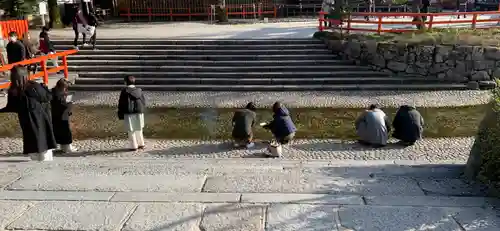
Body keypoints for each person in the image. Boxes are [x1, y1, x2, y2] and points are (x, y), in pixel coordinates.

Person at [0, 66, 57, 161]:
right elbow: (47, 97)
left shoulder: (13, 90)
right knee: (43, 142)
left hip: (25, 120)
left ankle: (35, 159)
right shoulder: (33, 86)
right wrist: (45, 87)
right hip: (39, 118)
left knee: (31, 141)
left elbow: (11, 107)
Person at [118, 76, 146, 151]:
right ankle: (141, 143)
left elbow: (121, 103)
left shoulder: (124, 91)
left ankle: (134, 146)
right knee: (139, 128)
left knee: (131, 130)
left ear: (125, 82)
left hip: (129, 112)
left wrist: (120, 114)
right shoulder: (139, 90)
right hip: (139, 111)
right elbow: (143, 101)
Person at [51, 78, 77, 153]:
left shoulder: (53, 92)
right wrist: (69, 104)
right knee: (65, 131)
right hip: (61, 116)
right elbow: (61, 106)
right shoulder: (57, 96)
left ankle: (61, 146)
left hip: (55, 116)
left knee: (58, 131)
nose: (66, 90)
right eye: (65, 89)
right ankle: (66, 147)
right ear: (63, 87)